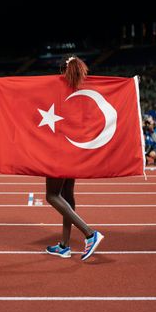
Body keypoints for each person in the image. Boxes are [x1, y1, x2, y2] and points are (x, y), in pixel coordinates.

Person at [45, 55, 104, 261]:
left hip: (57, 150)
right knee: (67, 195)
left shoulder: (53, 89)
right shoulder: (85, 91)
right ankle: (64, 245)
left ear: (63, 70)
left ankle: (89, 233)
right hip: (74, 149)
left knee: (52, 195)